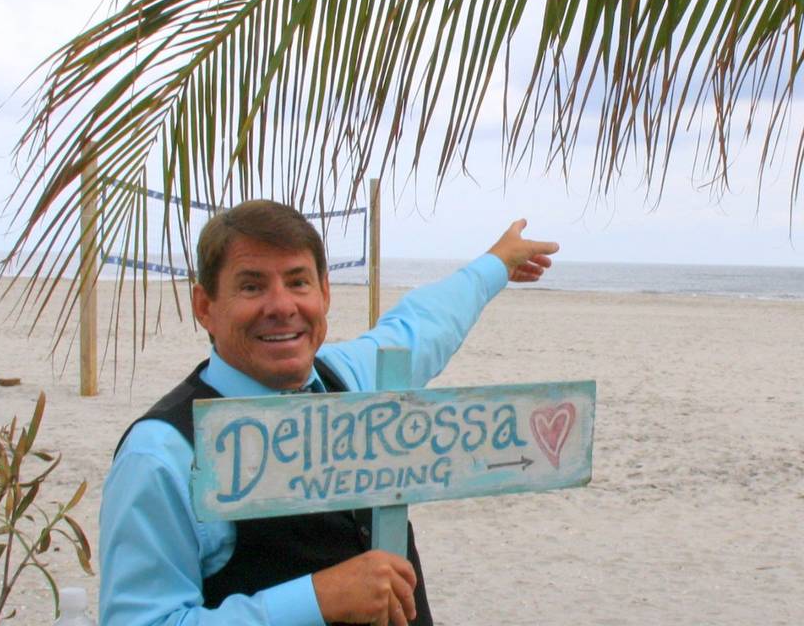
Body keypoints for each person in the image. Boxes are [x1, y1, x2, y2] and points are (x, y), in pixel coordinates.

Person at [99, 200, 559, 626]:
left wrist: (496, 262)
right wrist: (316, 597)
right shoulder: (163, 455)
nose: (282, 307)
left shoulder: (350, 380)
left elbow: (423, 325)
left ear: (324, 293)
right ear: (205, 306)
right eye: (251, 286)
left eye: (298, 282)